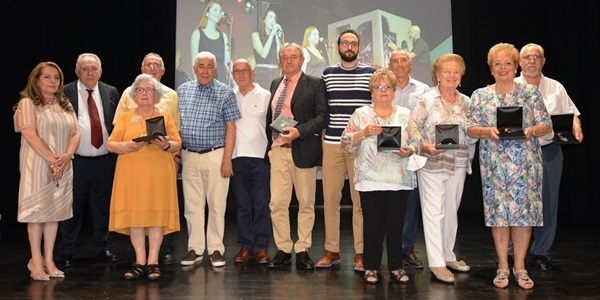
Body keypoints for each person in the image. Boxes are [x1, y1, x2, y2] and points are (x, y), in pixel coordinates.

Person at [466, 42, 552, 290]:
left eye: (507, 63)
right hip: (494, 165)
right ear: (490, 68)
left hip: (526, 164)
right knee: (499, 218)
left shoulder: (530, 93)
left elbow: (546, 124)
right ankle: (503, 266)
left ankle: (521, 267)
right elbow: (469, 128)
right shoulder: (480, 95)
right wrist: (486, 131)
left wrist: (531, 130)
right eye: (497, 63)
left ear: (516, 66)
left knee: (523, 218)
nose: (502, 68)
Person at [340, 68, 422, 284]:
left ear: (394, 91)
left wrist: (410, 149)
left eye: (387, 87)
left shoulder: (404, 114)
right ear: (372, 92)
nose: (383, 91)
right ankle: (371, 267)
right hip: (370, 180)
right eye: (378, 87)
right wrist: (363, 133)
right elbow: (346, 142)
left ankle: (396, 266)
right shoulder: (360, 114)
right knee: (372, 226)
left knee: (396, 226)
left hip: (398, 178)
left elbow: (417, 139)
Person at [514, 43, 584, 271]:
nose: (532, 61)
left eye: (537, 57)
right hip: (518, 153)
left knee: (548, 203)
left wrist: (576, 125)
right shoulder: (511, 86)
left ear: (543, 61)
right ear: (519, 62)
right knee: (518, 202)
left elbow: (572, 113)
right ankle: (514, 253)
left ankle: (541, 252)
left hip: (550, 151)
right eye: (527, 57)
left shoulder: (556, 87)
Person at [107, 74, 181, 280]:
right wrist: (127, 146)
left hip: (158, 175)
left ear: (156, 94)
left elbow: (177, 143)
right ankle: (140, 261)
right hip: (132, 176)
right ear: (134, 94)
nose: (145, 93)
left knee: (156, 218)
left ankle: (153, 262)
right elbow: (110, 144)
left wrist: (165, 144)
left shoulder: (165, 116)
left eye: (149, 90)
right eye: (140, 90)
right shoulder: (125, 116)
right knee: (136, 219)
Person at [411, 54, 476, 283]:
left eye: (456, 71)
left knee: (450, 211)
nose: (451, 75)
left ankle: (448, 255)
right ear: (437, 76)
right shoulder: (426, 99)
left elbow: (474, 131)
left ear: (461, 76)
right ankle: (437, 263)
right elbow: (412, 129)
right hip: (432, 163)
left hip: (458, 162)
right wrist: (425, 146)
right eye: (446, 71)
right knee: (434, 213)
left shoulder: (467, 102)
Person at [14, 61, 81, 281]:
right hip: (38, 165)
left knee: (55, 214)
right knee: (37, 215)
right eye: (47, 77)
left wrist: (67, 155)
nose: (53, 81)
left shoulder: (65, 103)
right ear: (36, 80)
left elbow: (76, 133)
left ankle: (49, 260)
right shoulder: (27, 104)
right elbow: (30, 135)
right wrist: (54, 161)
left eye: (57, 78)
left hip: (62, 164)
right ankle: (35, 261)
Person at [317, 29, 376, 271]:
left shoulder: (370, 73)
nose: (349, 47)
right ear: (338, 46)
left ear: (359, 47)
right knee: (330, 200)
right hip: (332, 144)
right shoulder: (327, 74)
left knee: (359, 201)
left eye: (353, 43)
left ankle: (360, 253)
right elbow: (324, 110)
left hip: (360, 146)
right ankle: (332, 251)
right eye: (345, 43)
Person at [265, 43, 328, 270]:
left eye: (293, 57)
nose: (289, 61)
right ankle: (283, 248)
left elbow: (322, 117)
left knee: (306, 204)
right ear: (279, 61)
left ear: (302, 60)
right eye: (284, 57)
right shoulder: (275, 83)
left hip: (303, 151)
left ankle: (302, 249)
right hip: (278, 151)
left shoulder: (314, 83)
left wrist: (299, 131)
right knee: (277, 204)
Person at [178, 51, 241, 268]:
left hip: (216, 155)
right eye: (201, 66)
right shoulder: (183, 90)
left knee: (216, 205)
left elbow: (231, 128)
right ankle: (195, 248)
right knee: (192, 205)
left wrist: (227, 159)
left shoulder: (225, 92)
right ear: (194, 68)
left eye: (209, 66)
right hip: (189, 155)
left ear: (216, 70)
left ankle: (216, 249)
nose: (205, 70)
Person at [59, 53, 120, 268]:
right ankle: (68, 250)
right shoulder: (64, 92)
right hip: (76, 161)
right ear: (77, 72)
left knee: (102, 208)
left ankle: (102, 247)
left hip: (104, 160)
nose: (90, 72)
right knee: (72, 207)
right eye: (85, 69)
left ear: (101, 71)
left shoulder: (110, 91)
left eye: (94, 68)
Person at [388, 48, 432, 270]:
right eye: (394, 61)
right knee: (386, 206)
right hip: (385, 155)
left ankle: (406, 249)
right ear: (390, 65)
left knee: (410, 206)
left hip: (413, 155)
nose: (399, 64)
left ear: (410, 64)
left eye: (403, 60)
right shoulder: (383, 89)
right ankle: (389, 251)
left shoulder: (424, 91)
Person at [230, 59, 273, 264]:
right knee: (243, 205)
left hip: (260, 157)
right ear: (232, 74)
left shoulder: (265, 95)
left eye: (244, 71)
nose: (241, 75)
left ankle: (262, 248)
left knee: (262, 204)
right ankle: (246, 246)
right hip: (237, 157)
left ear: (252, 72)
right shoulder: (229, 95)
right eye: (236, 71)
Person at [190, 1, 231, 85]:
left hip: (220, 77)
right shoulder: (197, 34)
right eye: (215, 10)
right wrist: (197, 82)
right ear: (207, 13)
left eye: (220, 11)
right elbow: (194, 61)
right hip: (204, 76)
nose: (218, 13)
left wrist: (234, 79)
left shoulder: (223, 36)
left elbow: (228, 61)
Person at [251, 9, 284, 89]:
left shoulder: (275, 37)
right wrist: (272, 33)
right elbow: (263, 54)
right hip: (262, 72)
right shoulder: (256, 35)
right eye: (270, 17)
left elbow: (279, 57)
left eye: (274, 18)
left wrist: (277, 36)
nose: (273, 20)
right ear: (264, 20)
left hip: (275, 73)